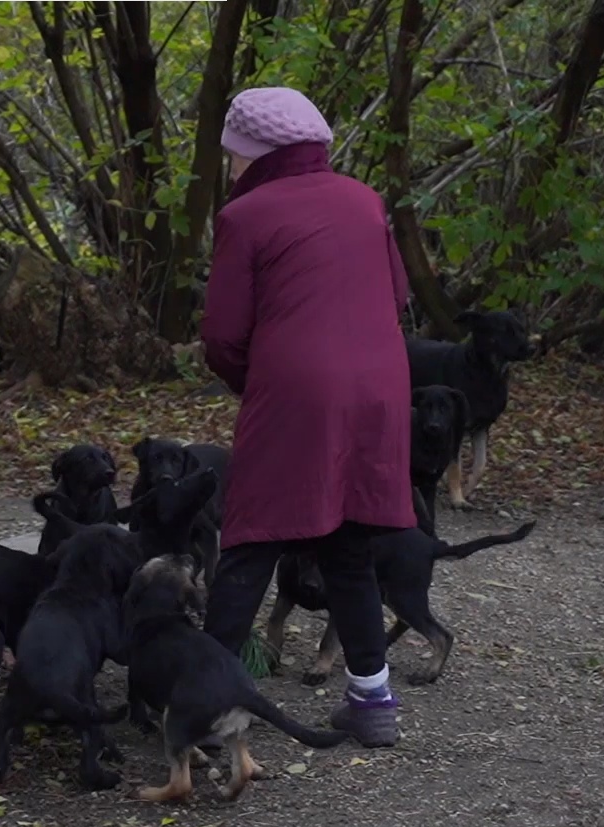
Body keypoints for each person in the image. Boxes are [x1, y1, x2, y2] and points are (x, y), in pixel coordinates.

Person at [197, 86, 416, 749]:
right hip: (380, 388)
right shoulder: (365, 200)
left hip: (297, 389)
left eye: (234, 155)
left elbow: (222, 337)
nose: (231, 168)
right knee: (349, 546)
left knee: (251, 541)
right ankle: (373, 701)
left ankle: (205, 702)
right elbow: (399, 295)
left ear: (256, 152)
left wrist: (261, 386)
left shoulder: (248, 215)